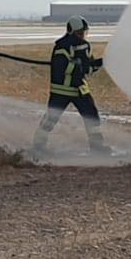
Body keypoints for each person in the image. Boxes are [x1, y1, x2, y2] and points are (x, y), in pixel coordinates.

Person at [31, 17, 109, 157]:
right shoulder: (61, 47)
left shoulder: (85, 46)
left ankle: (97, 147)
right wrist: (80, 67)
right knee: (51, 118)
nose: (82, 36)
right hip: (62, 90)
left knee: (91, 116)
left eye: (83, 33)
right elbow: (62, 69)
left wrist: (95, 64)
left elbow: (88, 67)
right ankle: (38, 146)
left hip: (79, 89)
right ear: (71, 32)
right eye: (79, 33)